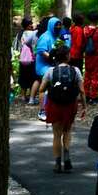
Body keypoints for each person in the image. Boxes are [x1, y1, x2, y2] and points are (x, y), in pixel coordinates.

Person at [39, 45, 86, 173]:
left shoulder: (50, 71)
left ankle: (57, 163)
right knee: (67, 131)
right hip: (70, 105)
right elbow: (82, 91)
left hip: (55, 105)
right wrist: (84, 107)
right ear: (67, 56)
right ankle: (66, 154)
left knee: (56, 135)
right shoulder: (75, 70)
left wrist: (42, 108)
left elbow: (41, 89)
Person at [35, 16, 63, 121]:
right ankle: (42, 111)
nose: (58, 27)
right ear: (51, 25)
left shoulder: (57, 36)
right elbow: (41, 51)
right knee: (44, 88)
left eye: (59, 25)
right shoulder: (45, 36)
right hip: (43, 66)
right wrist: (52, 57)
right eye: (56, 25)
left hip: (52, 65)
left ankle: (52, 110)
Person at [16, 18, 38, 103]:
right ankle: (30, 95)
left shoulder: (20, 33)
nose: (32, 25)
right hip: (31, 58)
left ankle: (23, 95)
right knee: (31, 77)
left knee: (23, 77)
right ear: (26, 25)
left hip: (23, 58)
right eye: (30, 24)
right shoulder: (32, 33)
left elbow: (18, 46)